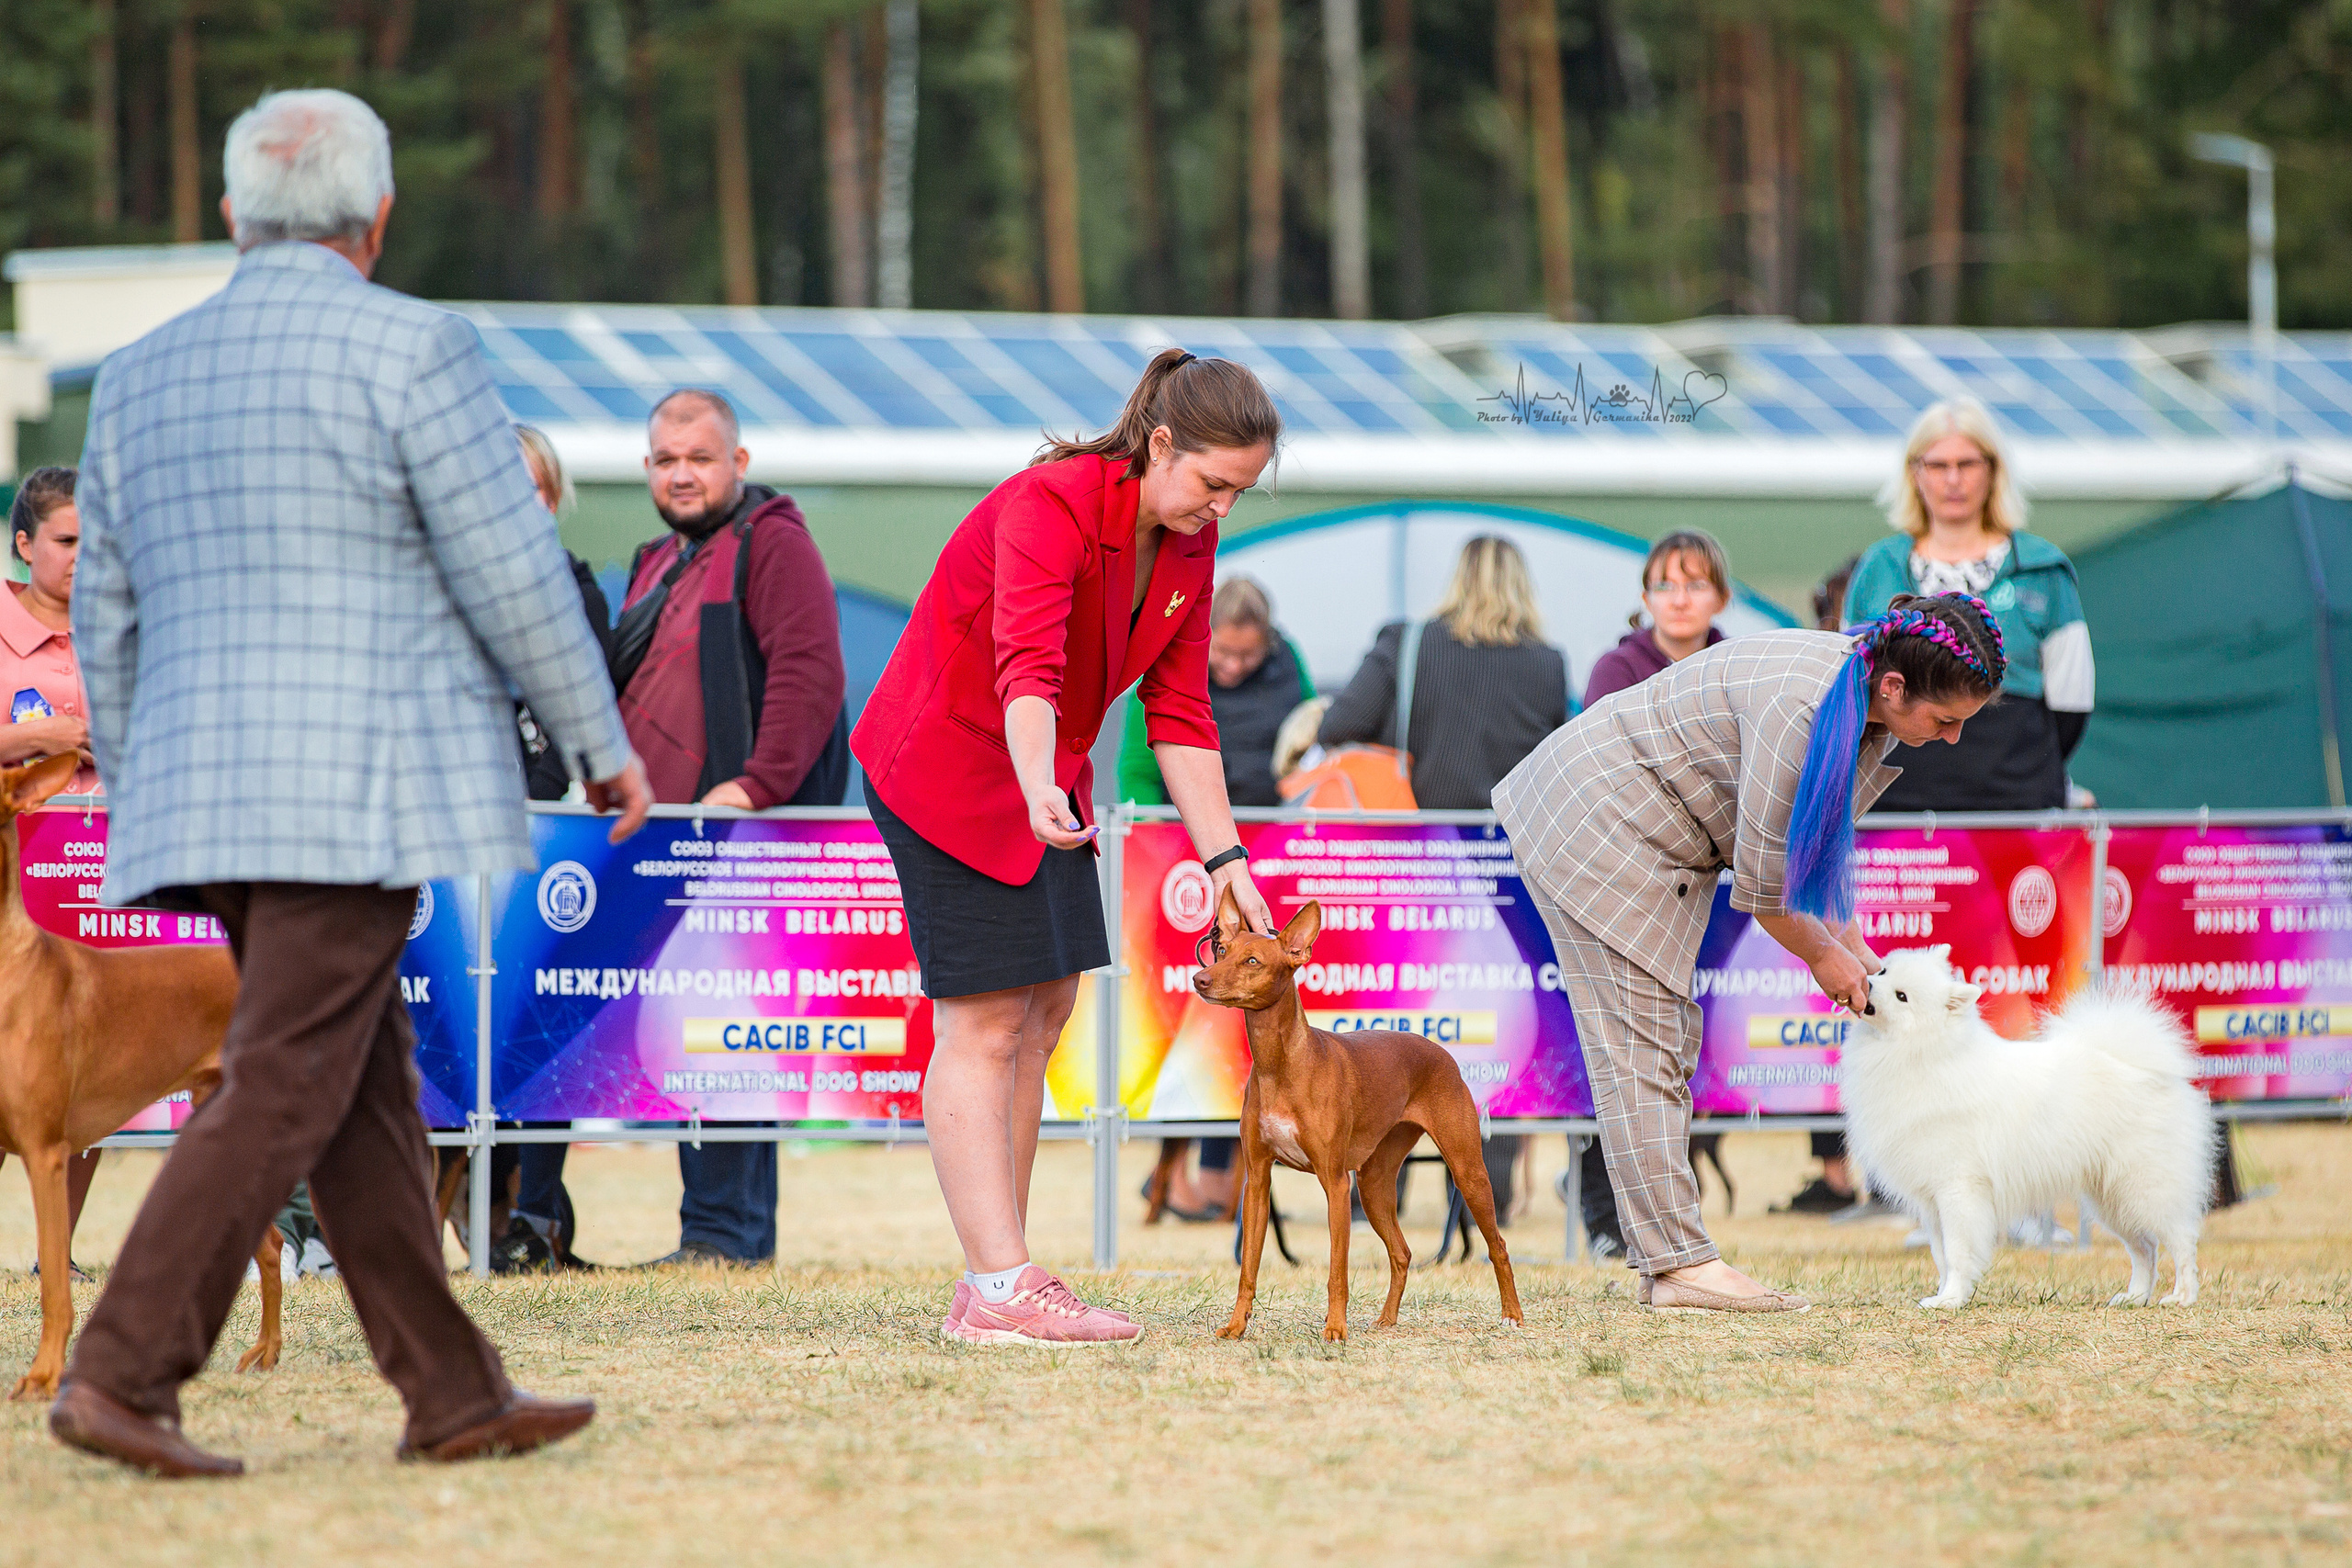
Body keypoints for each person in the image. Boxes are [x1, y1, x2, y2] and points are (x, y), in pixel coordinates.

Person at [51, 87, 650, 1478]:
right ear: (377, 220)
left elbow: (109, 616)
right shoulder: (417, 345)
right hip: (356, 786)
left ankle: (451, 1389)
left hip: (204, 788)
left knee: (358, 1080)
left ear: (229, 219)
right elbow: (511, 564)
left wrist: (144, 791)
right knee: (282, 1077)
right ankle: (123, 1368)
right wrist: (598, 733)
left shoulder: (137, 374)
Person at [854, 346, 1280, 1347]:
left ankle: (994, 1278)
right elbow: (1028, 665)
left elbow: (1179, 710)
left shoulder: (1185, 540)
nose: (1220, 510)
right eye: (1214, 484)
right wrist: (1039, 778)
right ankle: (1001, 1285)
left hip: (1048, 778)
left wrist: (1228, 865)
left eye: (1240, 495)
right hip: (953, 768)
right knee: (985, 1022)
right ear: (1161, 444)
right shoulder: (1048, 503)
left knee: (1044, 1011)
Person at [1496, 593, 2006, 1313]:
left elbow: (1814, 859)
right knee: (1644, 1049)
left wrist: (1863, 954)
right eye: (1946, 720)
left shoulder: (1861, 704)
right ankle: (1678, 1267)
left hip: (1634, 825)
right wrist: (1832, 964)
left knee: (1663, 1046)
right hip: (1597, 823)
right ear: (1896, 688)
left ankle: (1670, 1261)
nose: (1952, 738)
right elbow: (1769, 893)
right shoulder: (1803, 708)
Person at [611, 388, 848, 1268]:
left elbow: (811, 674)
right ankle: (712, 1232)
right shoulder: (657, 559)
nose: (681, 474)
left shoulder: (771, 543)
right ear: (646, 469)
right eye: (667, 460)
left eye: (700, 458)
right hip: (664, 845)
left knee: (726, 1035)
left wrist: (754, 786)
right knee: (692, 1034)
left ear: (737, 464)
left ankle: (726, 1236)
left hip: (743, 847)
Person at [1317, 535, 1569, 1219]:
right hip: (1512, 875)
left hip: (1418, 872)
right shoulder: (1547, 665)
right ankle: (1485, 1197)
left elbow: (1341, 723)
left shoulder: (1410, 644)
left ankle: (1378, 1190)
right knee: (1506, 1029)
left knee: (1397, 1032)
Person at [1117, 574, 1310, 1220]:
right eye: (1221, 654)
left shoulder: (1292, 670)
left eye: (1246, 657)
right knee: (1184, 1024)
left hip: (1264, 866)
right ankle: (1173, 1172)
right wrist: (1159, 842)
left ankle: (1215, 1173)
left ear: (1269, 645)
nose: (1230, 666)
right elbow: (1138, 771)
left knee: (1239, 1030)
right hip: (1179, 862)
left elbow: (1304, 748)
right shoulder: (1172, 661)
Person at [1569, 529, 1735, 1259]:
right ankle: (1607, 1213)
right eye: (1667, 583)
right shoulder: (1614, 668)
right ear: (1645, 597)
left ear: (1719, 597)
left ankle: (1671, 1213)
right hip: (1628, 876)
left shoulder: (1737, 666)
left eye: (1694, 582)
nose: (1679, 596)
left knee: (1684, 1052)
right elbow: (1604, 765)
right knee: (1622, 1047)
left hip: (1715, 881)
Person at [1843, 399, 2094, 811]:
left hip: (2016, 807)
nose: (1953, 479)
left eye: (1968, 463)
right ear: (1914, 472)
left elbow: (2073, 705)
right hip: (1893, 809)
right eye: (1938, 465)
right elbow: (1849, 687)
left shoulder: (2043, 568)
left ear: (1993, 470)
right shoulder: (1877, 567)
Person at [493, 424, 613, 1273]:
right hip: (457, 837)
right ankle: (465, 1214)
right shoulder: (436, 589)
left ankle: (536, 1216)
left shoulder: (577, 588)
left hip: (549, 838)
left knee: (547, 1029)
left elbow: (589, 707)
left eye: (535, 489)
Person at [6, 467, 104, 1262]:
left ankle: (56, 1250)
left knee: (90, 1065)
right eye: (68, 541)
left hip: (100, 876)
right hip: (13, 882)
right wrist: (45, 739)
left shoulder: (120, 631)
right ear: (24, 543)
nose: (83, 556)